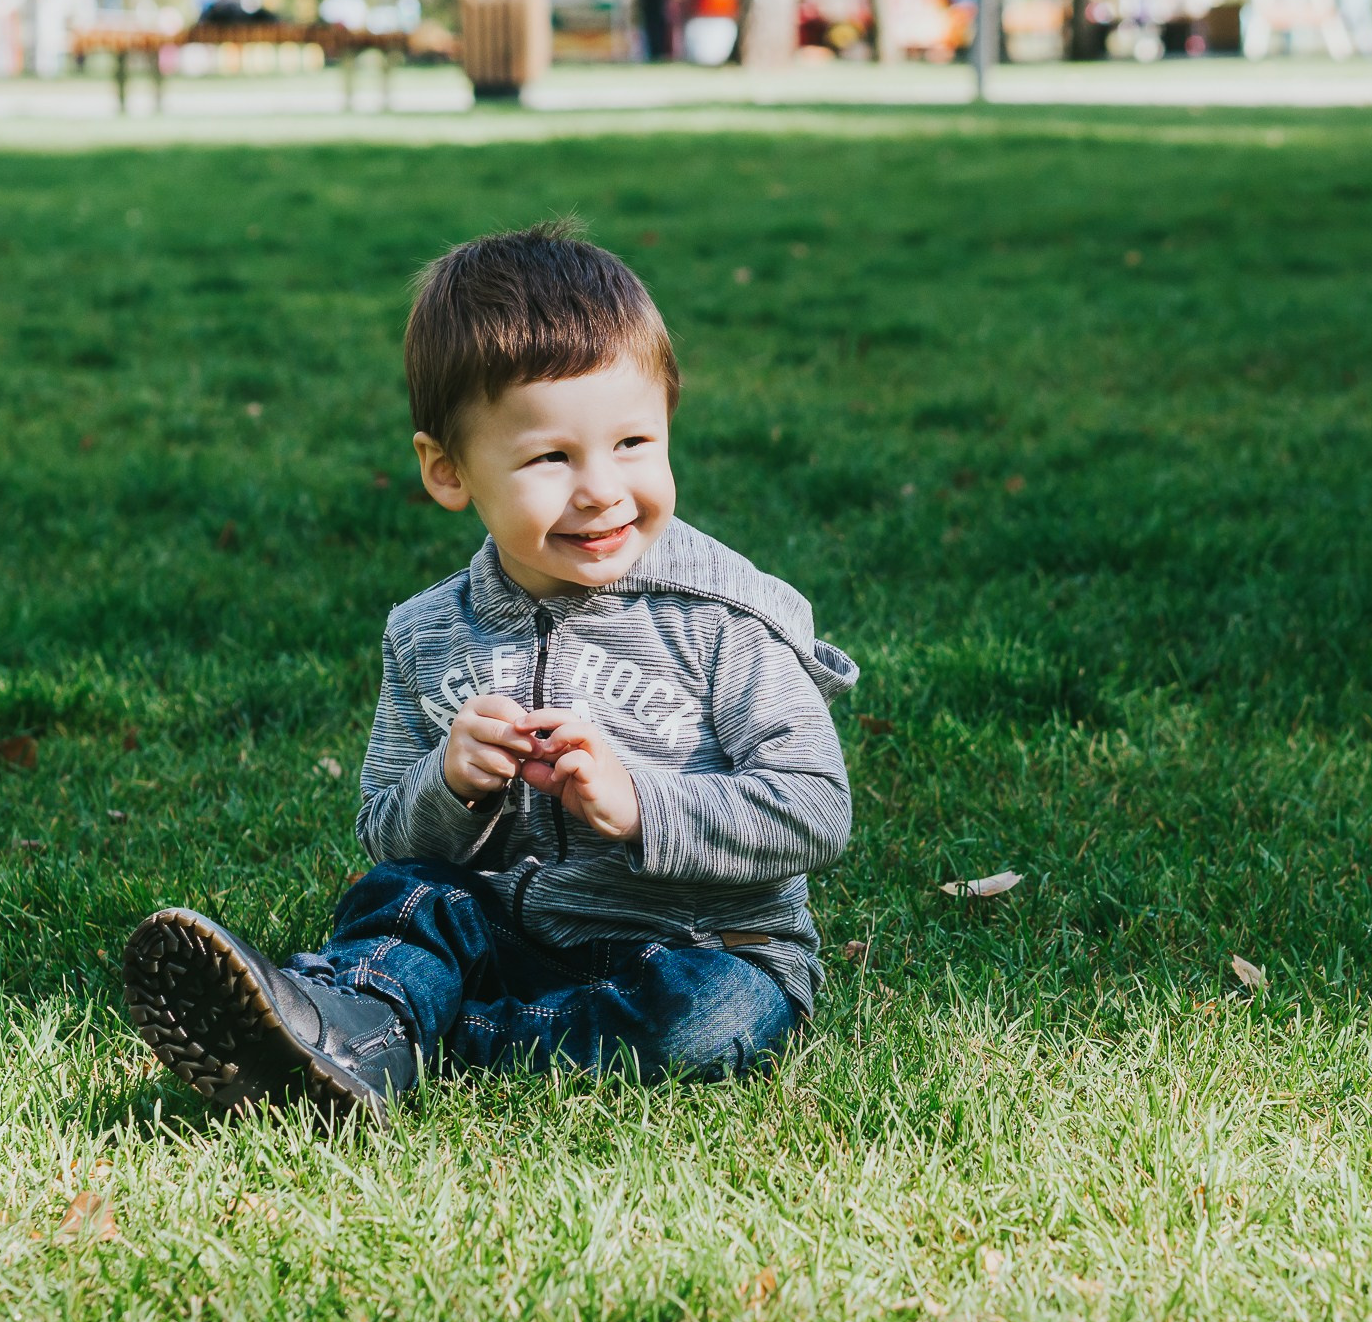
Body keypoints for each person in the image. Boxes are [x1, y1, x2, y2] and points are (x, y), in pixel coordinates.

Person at [121, 221, 857, 1119]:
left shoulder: (724, 619)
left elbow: (816, 808)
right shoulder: (428, 633)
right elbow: (386, 831)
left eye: (634, 443)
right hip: (510, 924)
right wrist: (451, 784)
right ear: (448, 471)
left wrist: (641, 805)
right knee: (403, 899)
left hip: (701, 940)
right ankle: (355, 1018)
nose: (602, 489)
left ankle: (392, 1036)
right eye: (552, 456)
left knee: (712, 1020)